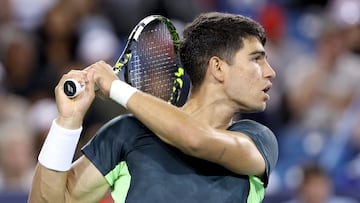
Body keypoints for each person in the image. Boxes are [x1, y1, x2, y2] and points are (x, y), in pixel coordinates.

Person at [28, 12, 278, 203]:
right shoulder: (127, 133)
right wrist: (67, 123)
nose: (271, 72)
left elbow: (195, 139)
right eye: (257, 59)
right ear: (218, 68)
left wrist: (116, 88)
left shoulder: (257, 139)